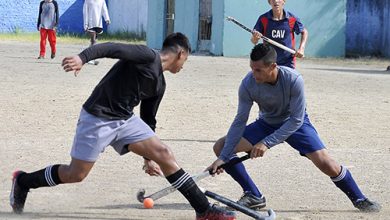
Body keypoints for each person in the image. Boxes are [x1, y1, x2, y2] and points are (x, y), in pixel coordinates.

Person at [9, 33, 236, 220]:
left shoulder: (159, 85)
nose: (184, 66)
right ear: (181, 53)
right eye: (186, 60)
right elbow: (112, 47)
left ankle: (203, 210)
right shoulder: (147, 56)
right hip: (98, 116)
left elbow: (148, 120)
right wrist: (82, 58)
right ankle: (23, 181)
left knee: (164, 154)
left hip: (125, 120)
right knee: (75, 174)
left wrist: (148, 158)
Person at [207, 43, 381, 213]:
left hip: (296, 124)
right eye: (252, 68)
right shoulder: (248, 83)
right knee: (221, 146)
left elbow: (297, 119)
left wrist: (266, 143)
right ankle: (253, 195)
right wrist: (223, 157)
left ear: (273, 66)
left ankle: (359, 198)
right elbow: (240, 120)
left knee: (327, 164)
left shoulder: (293, 79)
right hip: (266, 123)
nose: (253, 73)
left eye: (258, 70)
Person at [251, 0, 308, 69]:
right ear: (269, 2)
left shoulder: (292, 18)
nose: (276, 1)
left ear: (284, 1)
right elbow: (253, 41)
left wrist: (301, 49)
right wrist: (255, 38)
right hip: (268, 61)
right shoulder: (263, 19)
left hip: (288, 62)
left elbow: (304, 32)